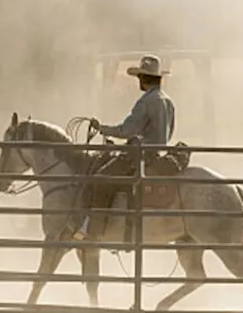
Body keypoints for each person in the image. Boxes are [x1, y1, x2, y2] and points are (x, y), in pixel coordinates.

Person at [75, 55, 177, 241]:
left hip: (141, 156)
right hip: (157, 154)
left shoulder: (146, 102)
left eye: (139, 77)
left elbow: (126, 130)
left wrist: (101, 128)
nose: (138, 80)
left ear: (144, 79)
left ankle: (94, 230)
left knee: (101, 178)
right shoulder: (167, 101)